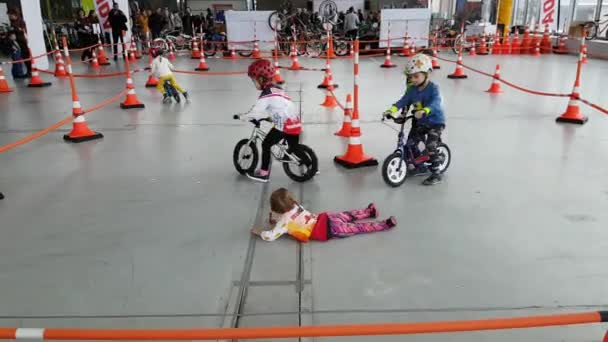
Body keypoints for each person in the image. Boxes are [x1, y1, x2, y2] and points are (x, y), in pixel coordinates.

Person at [384, 54, 446, 186]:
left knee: (430, 145)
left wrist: (425, 110)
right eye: (410, 77)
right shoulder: (412, 90)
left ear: (427, 74)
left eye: (416, 76)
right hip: (420, 122)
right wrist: (392, 110)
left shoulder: (433, 88)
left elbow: (436, 102)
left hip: (435, 122)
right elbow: (403, 101)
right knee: (410, 143)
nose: (413, 79)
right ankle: (419, 165)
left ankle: (436, 173)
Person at [238, 60, 303, 183]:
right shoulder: (278, 89)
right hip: (295, 122)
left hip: (284, 126)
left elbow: (255, 112)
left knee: (266, 144)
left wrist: (243, 116)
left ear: (261, 79)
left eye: (254, 80)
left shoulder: (266, 94)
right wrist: (271, 118)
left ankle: (263, 173)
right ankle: (311, 166)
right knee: (294, 148)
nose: (254, 83)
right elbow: (281, 107)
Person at [251, 188, 397, 242]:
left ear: (276, 209)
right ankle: (369, 211)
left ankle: (385, 224)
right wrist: (276, 220)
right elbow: (291, 217)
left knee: (358, 228)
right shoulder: (296, 205)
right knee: (349, 215)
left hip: (328, 230)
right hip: (326, 217)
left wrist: (259, 232)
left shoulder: (283, 223)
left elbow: (270, 236)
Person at [8, 8, 30, 77]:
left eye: (11, 15)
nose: (10, 16)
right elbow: (11, 31)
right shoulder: (12, 22)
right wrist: (9, 35)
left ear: (15, 14)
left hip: (22, 42)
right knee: (19, 58)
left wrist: (16, 30)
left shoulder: (21, 21)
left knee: (26, 57)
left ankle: (30, 71)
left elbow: (23, 31)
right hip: (15, 43)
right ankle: (19, 73)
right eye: (9, 15)